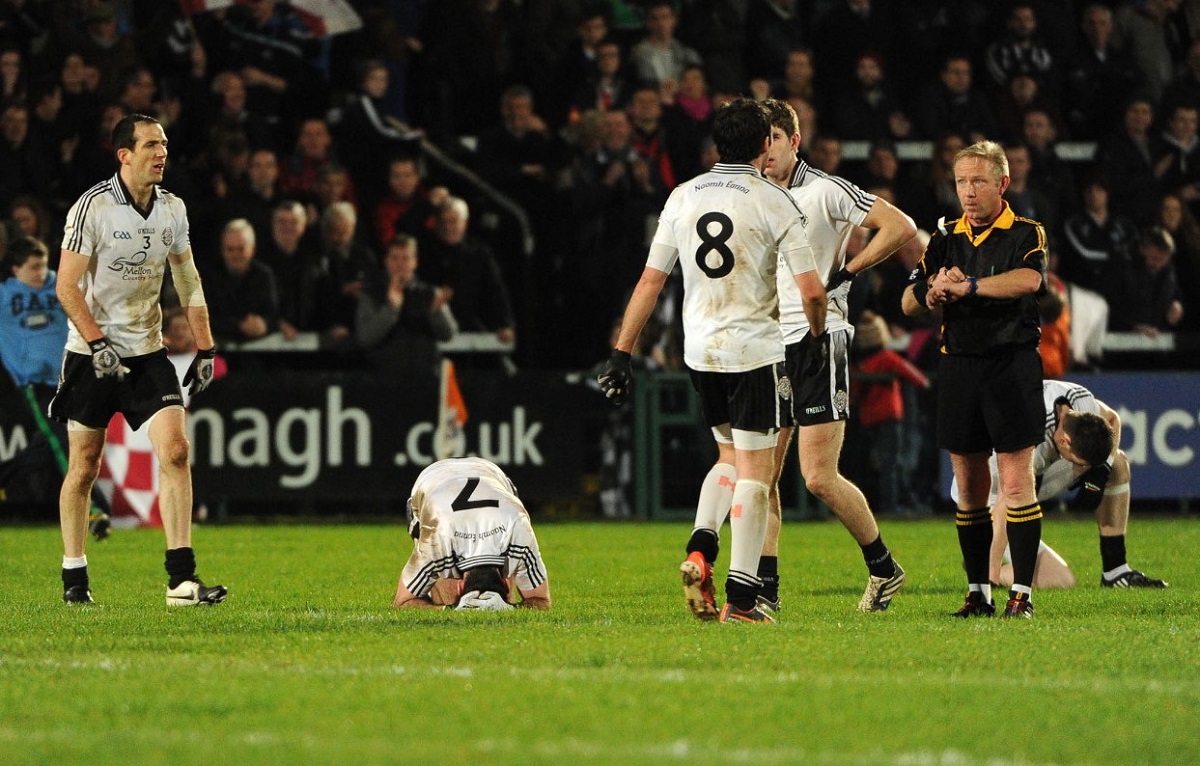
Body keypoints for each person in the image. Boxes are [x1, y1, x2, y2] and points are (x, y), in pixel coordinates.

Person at [598, 97, 823, 624]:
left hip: (700, 353)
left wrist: (620, 352)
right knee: (755, 472)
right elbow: (811, 291)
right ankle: (743, 600)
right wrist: (813, 339)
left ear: (715, 144)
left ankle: (702, 545)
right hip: (756, 352)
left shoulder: (682, 196)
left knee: (727, 455)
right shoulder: (773, 201)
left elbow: (651, 281)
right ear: (766, 143)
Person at [49, 113, 226, 606]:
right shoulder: (93, 208)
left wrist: (205, 346)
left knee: (176, 451)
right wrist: (98, 341)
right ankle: (74, 577)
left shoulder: (172, 209)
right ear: (124, 154)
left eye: (164, 144)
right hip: (90, 354)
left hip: (148, 352)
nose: (161, 153)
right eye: (150, 145)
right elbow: (66, 285)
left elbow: (188, 281)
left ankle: (181, 581)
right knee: (84, 467)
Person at [758, 98, 917, 614]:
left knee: (818, 477)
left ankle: (884, 568)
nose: (765, 152)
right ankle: (766, 591)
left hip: (819, 338)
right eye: (758, 143)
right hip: (766, 342)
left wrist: (847, 273)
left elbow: (901, 226)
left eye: (773, 140)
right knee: (761, 478)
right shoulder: (755, 196)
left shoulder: (825, 189)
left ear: (793, 140)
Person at [901, 139, 1047, 619]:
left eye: (979, 181)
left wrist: (968, 286)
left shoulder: (1026, 232)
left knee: (1015, 479)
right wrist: (934, 293)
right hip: (960, 364)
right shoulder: (943, 238)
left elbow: (1029, 282)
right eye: (962, 181)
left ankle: (1021, 593)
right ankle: (978, 592)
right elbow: (907, 301)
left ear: (1002, 184)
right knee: (967, 483)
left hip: (1011, 363)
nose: (968, 191)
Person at [980, 379, 1168, 591]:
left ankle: (1116, 571)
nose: (1079, 467)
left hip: (1032, 477)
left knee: (1117, 462)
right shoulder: (1032, 435)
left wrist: (1100, 471)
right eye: (1078, 461)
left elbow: (1113, 420)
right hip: (991, 493)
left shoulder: (1081, 402)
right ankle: (981, 568)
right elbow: (1007, 500)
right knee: (1059, 580)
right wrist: (990, 578)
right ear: (1065, 442)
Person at [392, 456, 551, 611]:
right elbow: (540, 601)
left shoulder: (517, 528)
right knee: (443, 575)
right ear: (507, 583)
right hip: (430, 484)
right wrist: (510, 607)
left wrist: (450, 609)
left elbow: (403, 602)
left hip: (492, 477)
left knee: (440, 566)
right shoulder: (439, 539)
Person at [356, 234, 456, 379]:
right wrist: (391, 310)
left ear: (415, 262)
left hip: (424, 379)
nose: (400, 264)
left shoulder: (430, 294)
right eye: (395, 258)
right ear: (386, 261)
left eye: (406, 258)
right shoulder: (372, 293)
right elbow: (365, 337)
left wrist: (437, 313)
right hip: (383, 379)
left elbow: (449, 334)